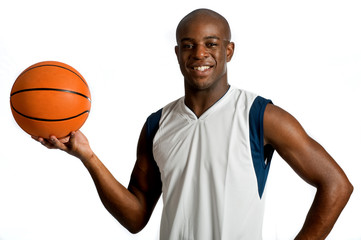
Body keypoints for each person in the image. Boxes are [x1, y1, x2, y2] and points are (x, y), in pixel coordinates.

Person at [34, 8, 353, 240]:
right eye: (188, 45)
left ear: (228, 51)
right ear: (177, 53)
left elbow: (336, 185)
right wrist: (87, 156)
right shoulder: (157, 124)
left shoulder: (260, 116)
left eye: (211, 44)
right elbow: (135, 218)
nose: (199, 53)